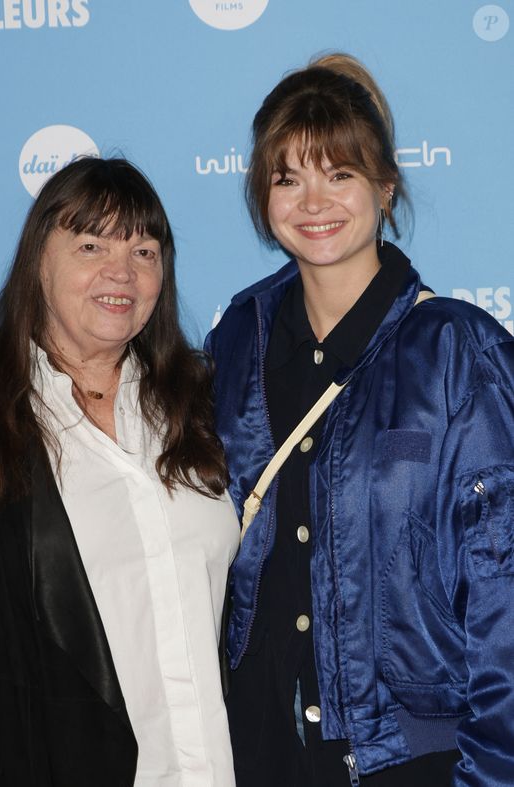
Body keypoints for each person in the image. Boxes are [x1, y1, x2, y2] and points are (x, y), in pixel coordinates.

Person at [205, 53, 514, 786]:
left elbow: (502, 586)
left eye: (339, 173)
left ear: (385, 185)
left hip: (409, 756)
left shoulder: (457, 352)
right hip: (257, 746)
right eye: (288, 177)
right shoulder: (239, 339)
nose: (314, 200)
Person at [0, 156, 238, 787]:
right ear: (37, 261)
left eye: (144, 251)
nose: (120, 273)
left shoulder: (205, 402)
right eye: (91, 244)